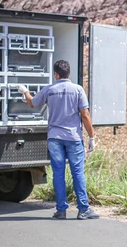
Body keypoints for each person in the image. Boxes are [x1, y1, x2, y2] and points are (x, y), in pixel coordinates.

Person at [18, 60, 100, 220]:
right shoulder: (78, 90)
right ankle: (83, 210)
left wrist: (25, 91)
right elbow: (85, 115)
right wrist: (92, 136)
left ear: (56, 74)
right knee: (78, 173)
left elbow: (32, 103)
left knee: (58, 174)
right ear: (68, 73)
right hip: (73, 138)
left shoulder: (49, 90)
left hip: (54, 138)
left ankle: (61, 210)